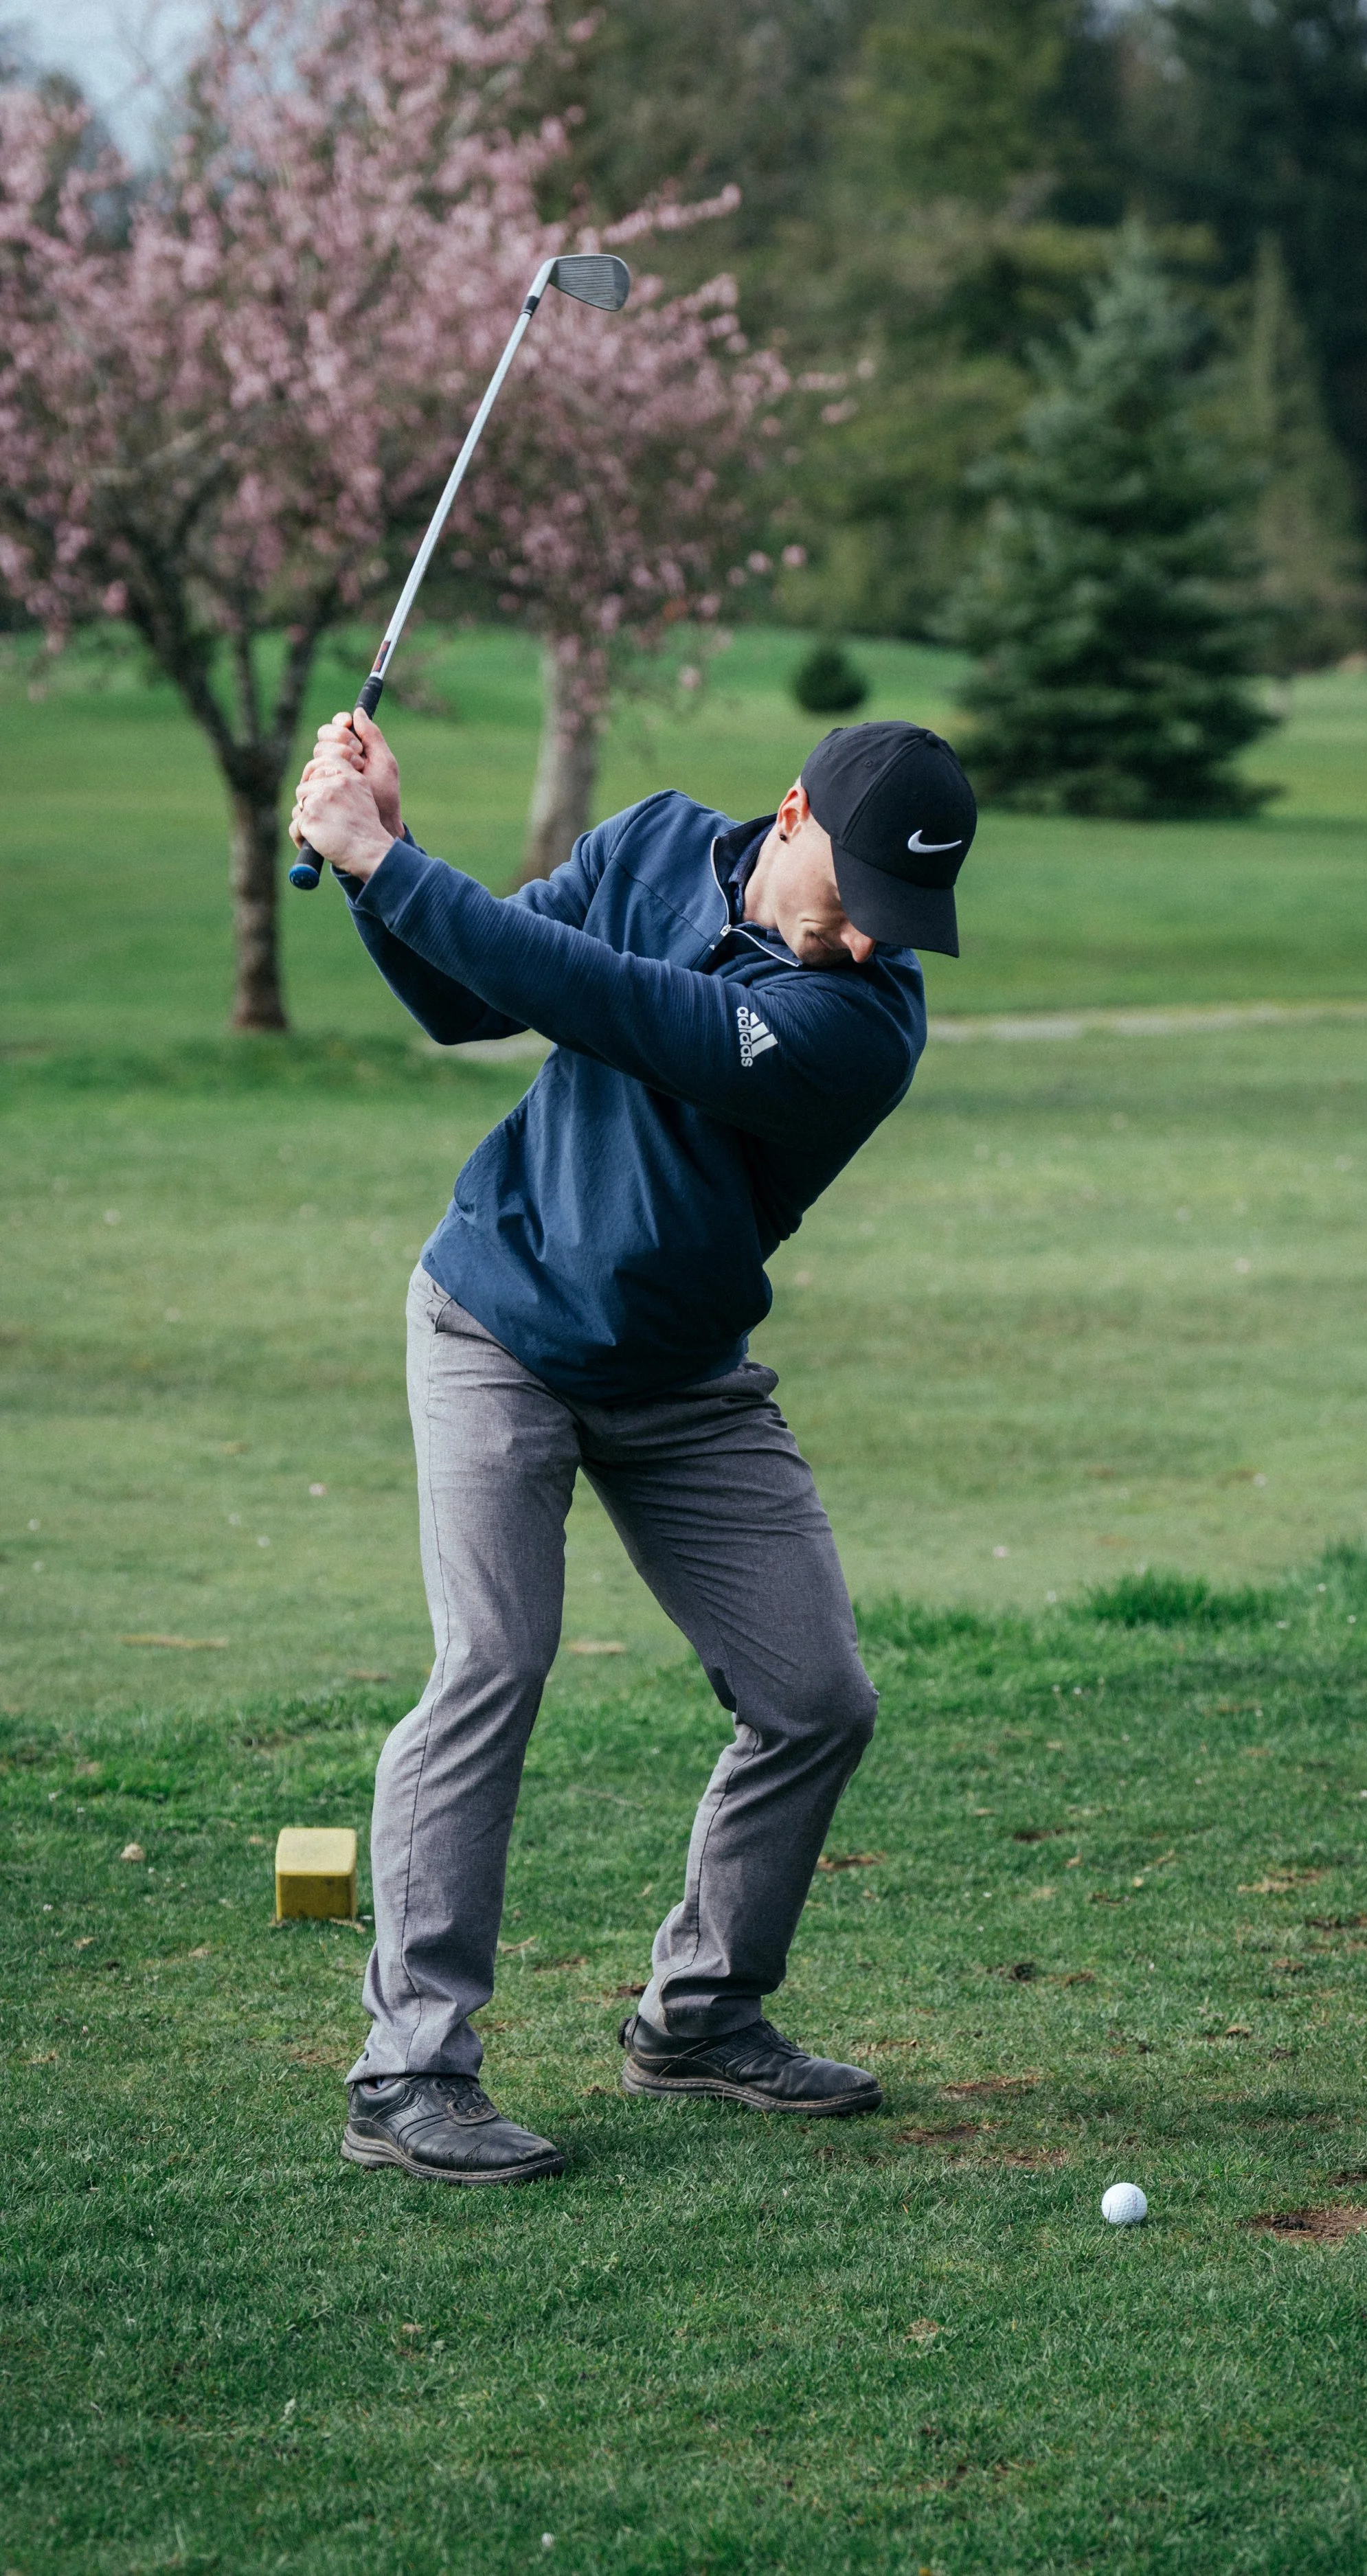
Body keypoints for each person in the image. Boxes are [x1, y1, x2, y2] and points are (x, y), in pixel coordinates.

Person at [290, 705, 978, 2186]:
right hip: (495, 1325)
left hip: (681, 1378)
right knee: (492, 1664)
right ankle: (407, 2071)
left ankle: (699, 2014)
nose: (871, 940)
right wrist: (375, 870)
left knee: (816, 1697)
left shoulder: (863, 1025)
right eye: (858, 901)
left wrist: (389, 861)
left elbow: (615, 1007)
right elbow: (471, 1001)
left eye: (903, 920)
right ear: (790, 816)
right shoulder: (654, 843)